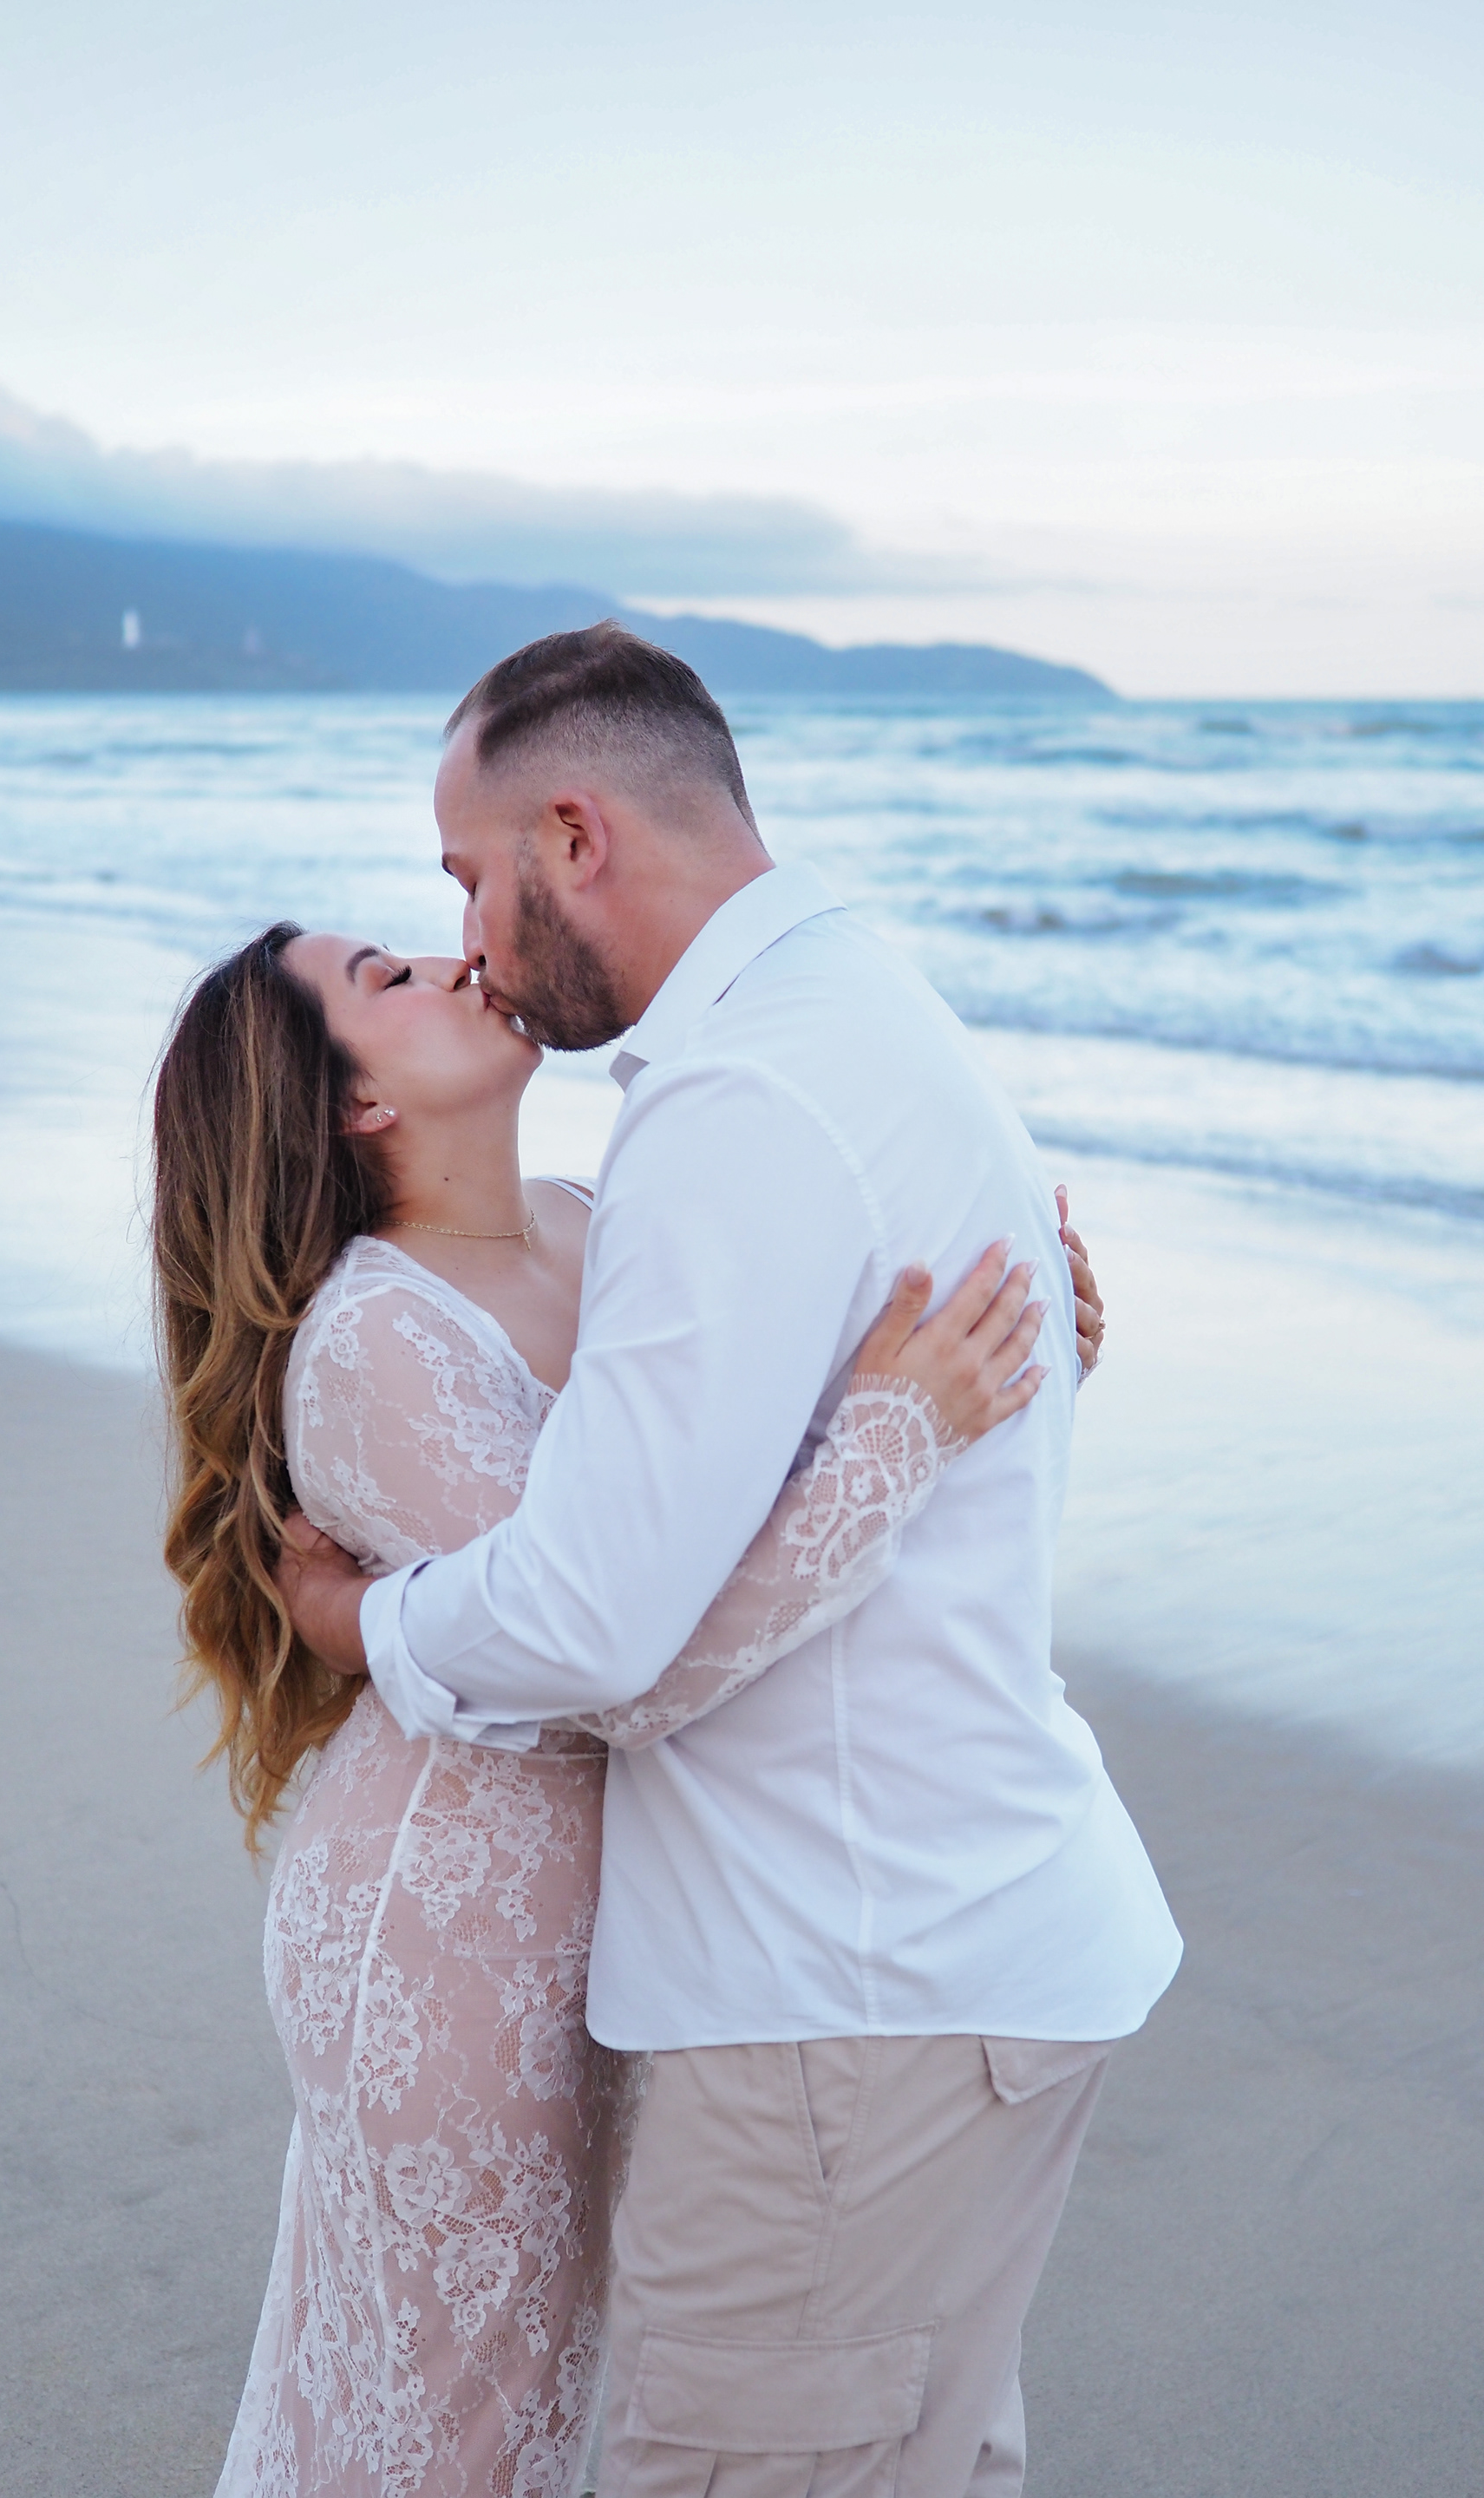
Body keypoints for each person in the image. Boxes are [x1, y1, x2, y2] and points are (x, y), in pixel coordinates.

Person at [279, 623, 1182, 2498]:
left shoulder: (730, 1106)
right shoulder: (850, 1012)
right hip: (928, 1951)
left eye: (469, 873)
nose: (465, 929)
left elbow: (607, 1630)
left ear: (577, 836)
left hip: (843, 1998)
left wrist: (376, 1622)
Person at [153, 913, 1095, 2498]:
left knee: (512, 2394)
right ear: (353, 1107)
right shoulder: (374, 1342)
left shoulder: (605, 1223)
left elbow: (761, 1504)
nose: (455, 959)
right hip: (447, 1941)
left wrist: (1023, 1359)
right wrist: (902, 1431)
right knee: (468, 2421)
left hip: (612, 1920)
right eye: (388, 979)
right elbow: (624, 1660)